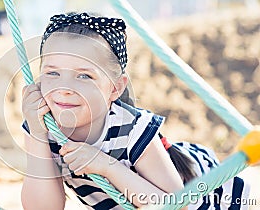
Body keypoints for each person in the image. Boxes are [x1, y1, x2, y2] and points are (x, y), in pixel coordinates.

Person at [20, 12, 250, 209]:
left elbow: (178, 204)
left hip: (206, 198)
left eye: (84, 76)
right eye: (52, 73)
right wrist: (37, 134)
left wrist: (106, 165)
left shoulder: (131, 129)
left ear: (115, 88)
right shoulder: (43, 125)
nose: (65, 88)